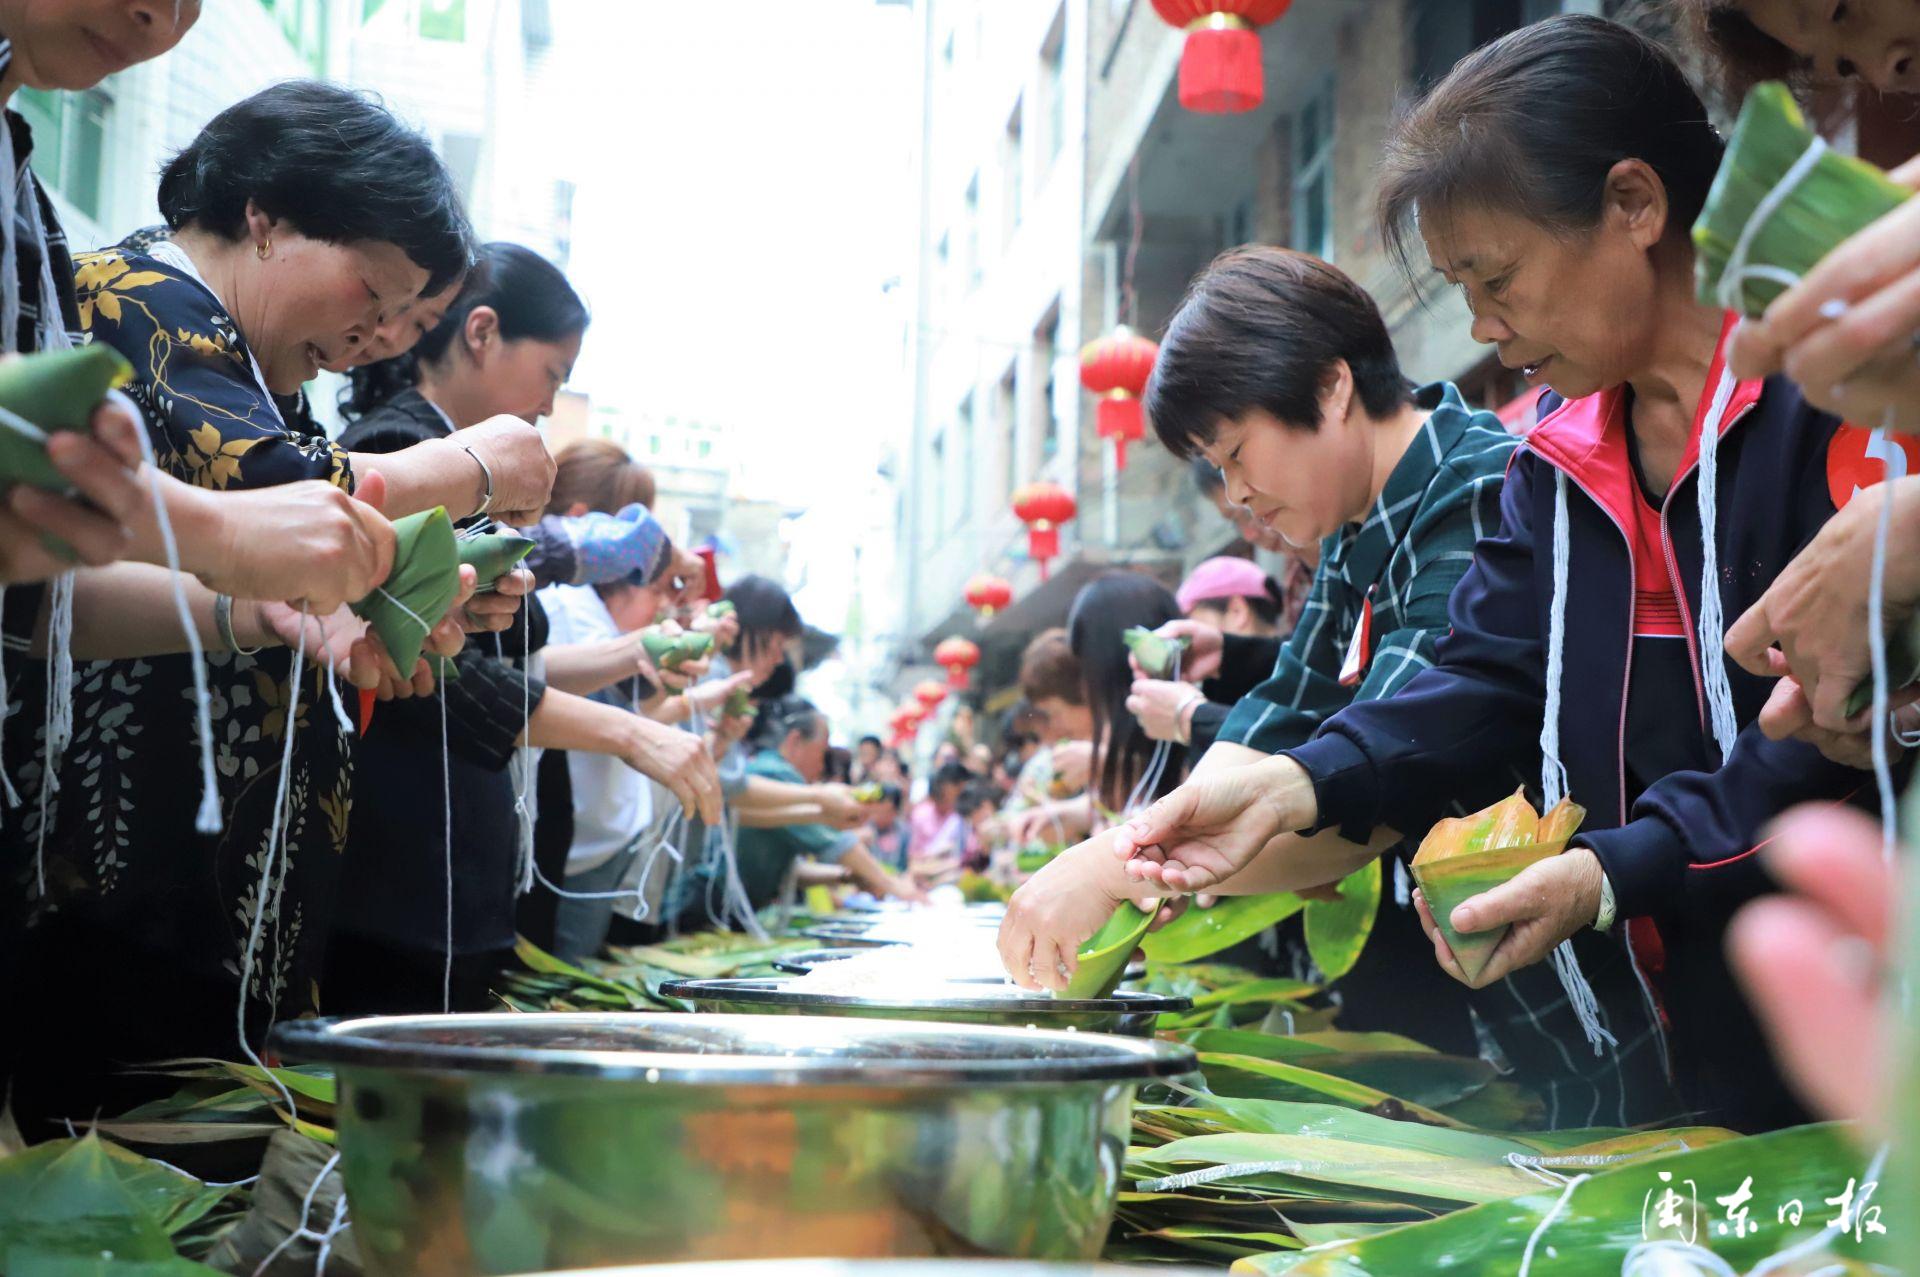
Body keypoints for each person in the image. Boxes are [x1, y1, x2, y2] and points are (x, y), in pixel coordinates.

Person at [1103, 16, 1878, 1132]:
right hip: (1676, 1067)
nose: (1478, 322)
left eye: (1495, 274)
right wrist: (1289, 781)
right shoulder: (1556, 464)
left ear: (1633, 204)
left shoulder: (1841, 393)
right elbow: (1476, 677)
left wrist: (1613, 871)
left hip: (1857, 1046)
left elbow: (1831, 743)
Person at [3, 79, 555, 1133]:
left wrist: (419, 583)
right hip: (116, 880)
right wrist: (473, 468)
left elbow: (286, 569)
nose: (380, 340)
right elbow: (273, 496)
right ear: (265, 212)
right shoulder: (138, 297)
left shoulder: (265, 373)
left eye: (403, 319)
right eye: (374, 292)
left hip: (216, 902)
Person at [709, 698, 921, 917]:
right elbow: (837, 843)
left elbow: (790, 870)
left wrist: (847, 876)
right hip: (711, 906)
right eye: (822, 753)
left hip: (724, 908)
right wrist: (894, 886)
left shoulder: (774, 770)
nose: (822, 766)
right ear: (795, 741)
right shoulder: (776, 773)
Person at [1128, 555, 1290, 755]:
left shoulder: (1298, 685)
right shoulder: (1294, 667)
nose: (1182, 640)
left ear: (1237, 611)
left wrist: (1190, 716)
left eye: (1192, 619)